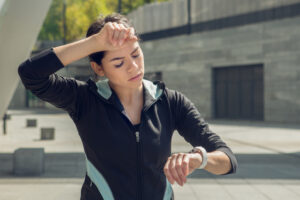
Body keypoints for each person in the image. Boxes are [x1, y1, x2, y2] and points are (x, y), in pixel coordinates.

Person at [18, 13, 237, 200]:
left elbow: (227, 160)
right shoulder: (84, 100)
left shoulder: (171, 102)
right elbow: (30, 74)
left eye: (135, 54)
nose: (133, 67)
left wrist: (199, 158)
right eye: (118, 63)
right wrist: (95, 43)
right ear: (98, 68)